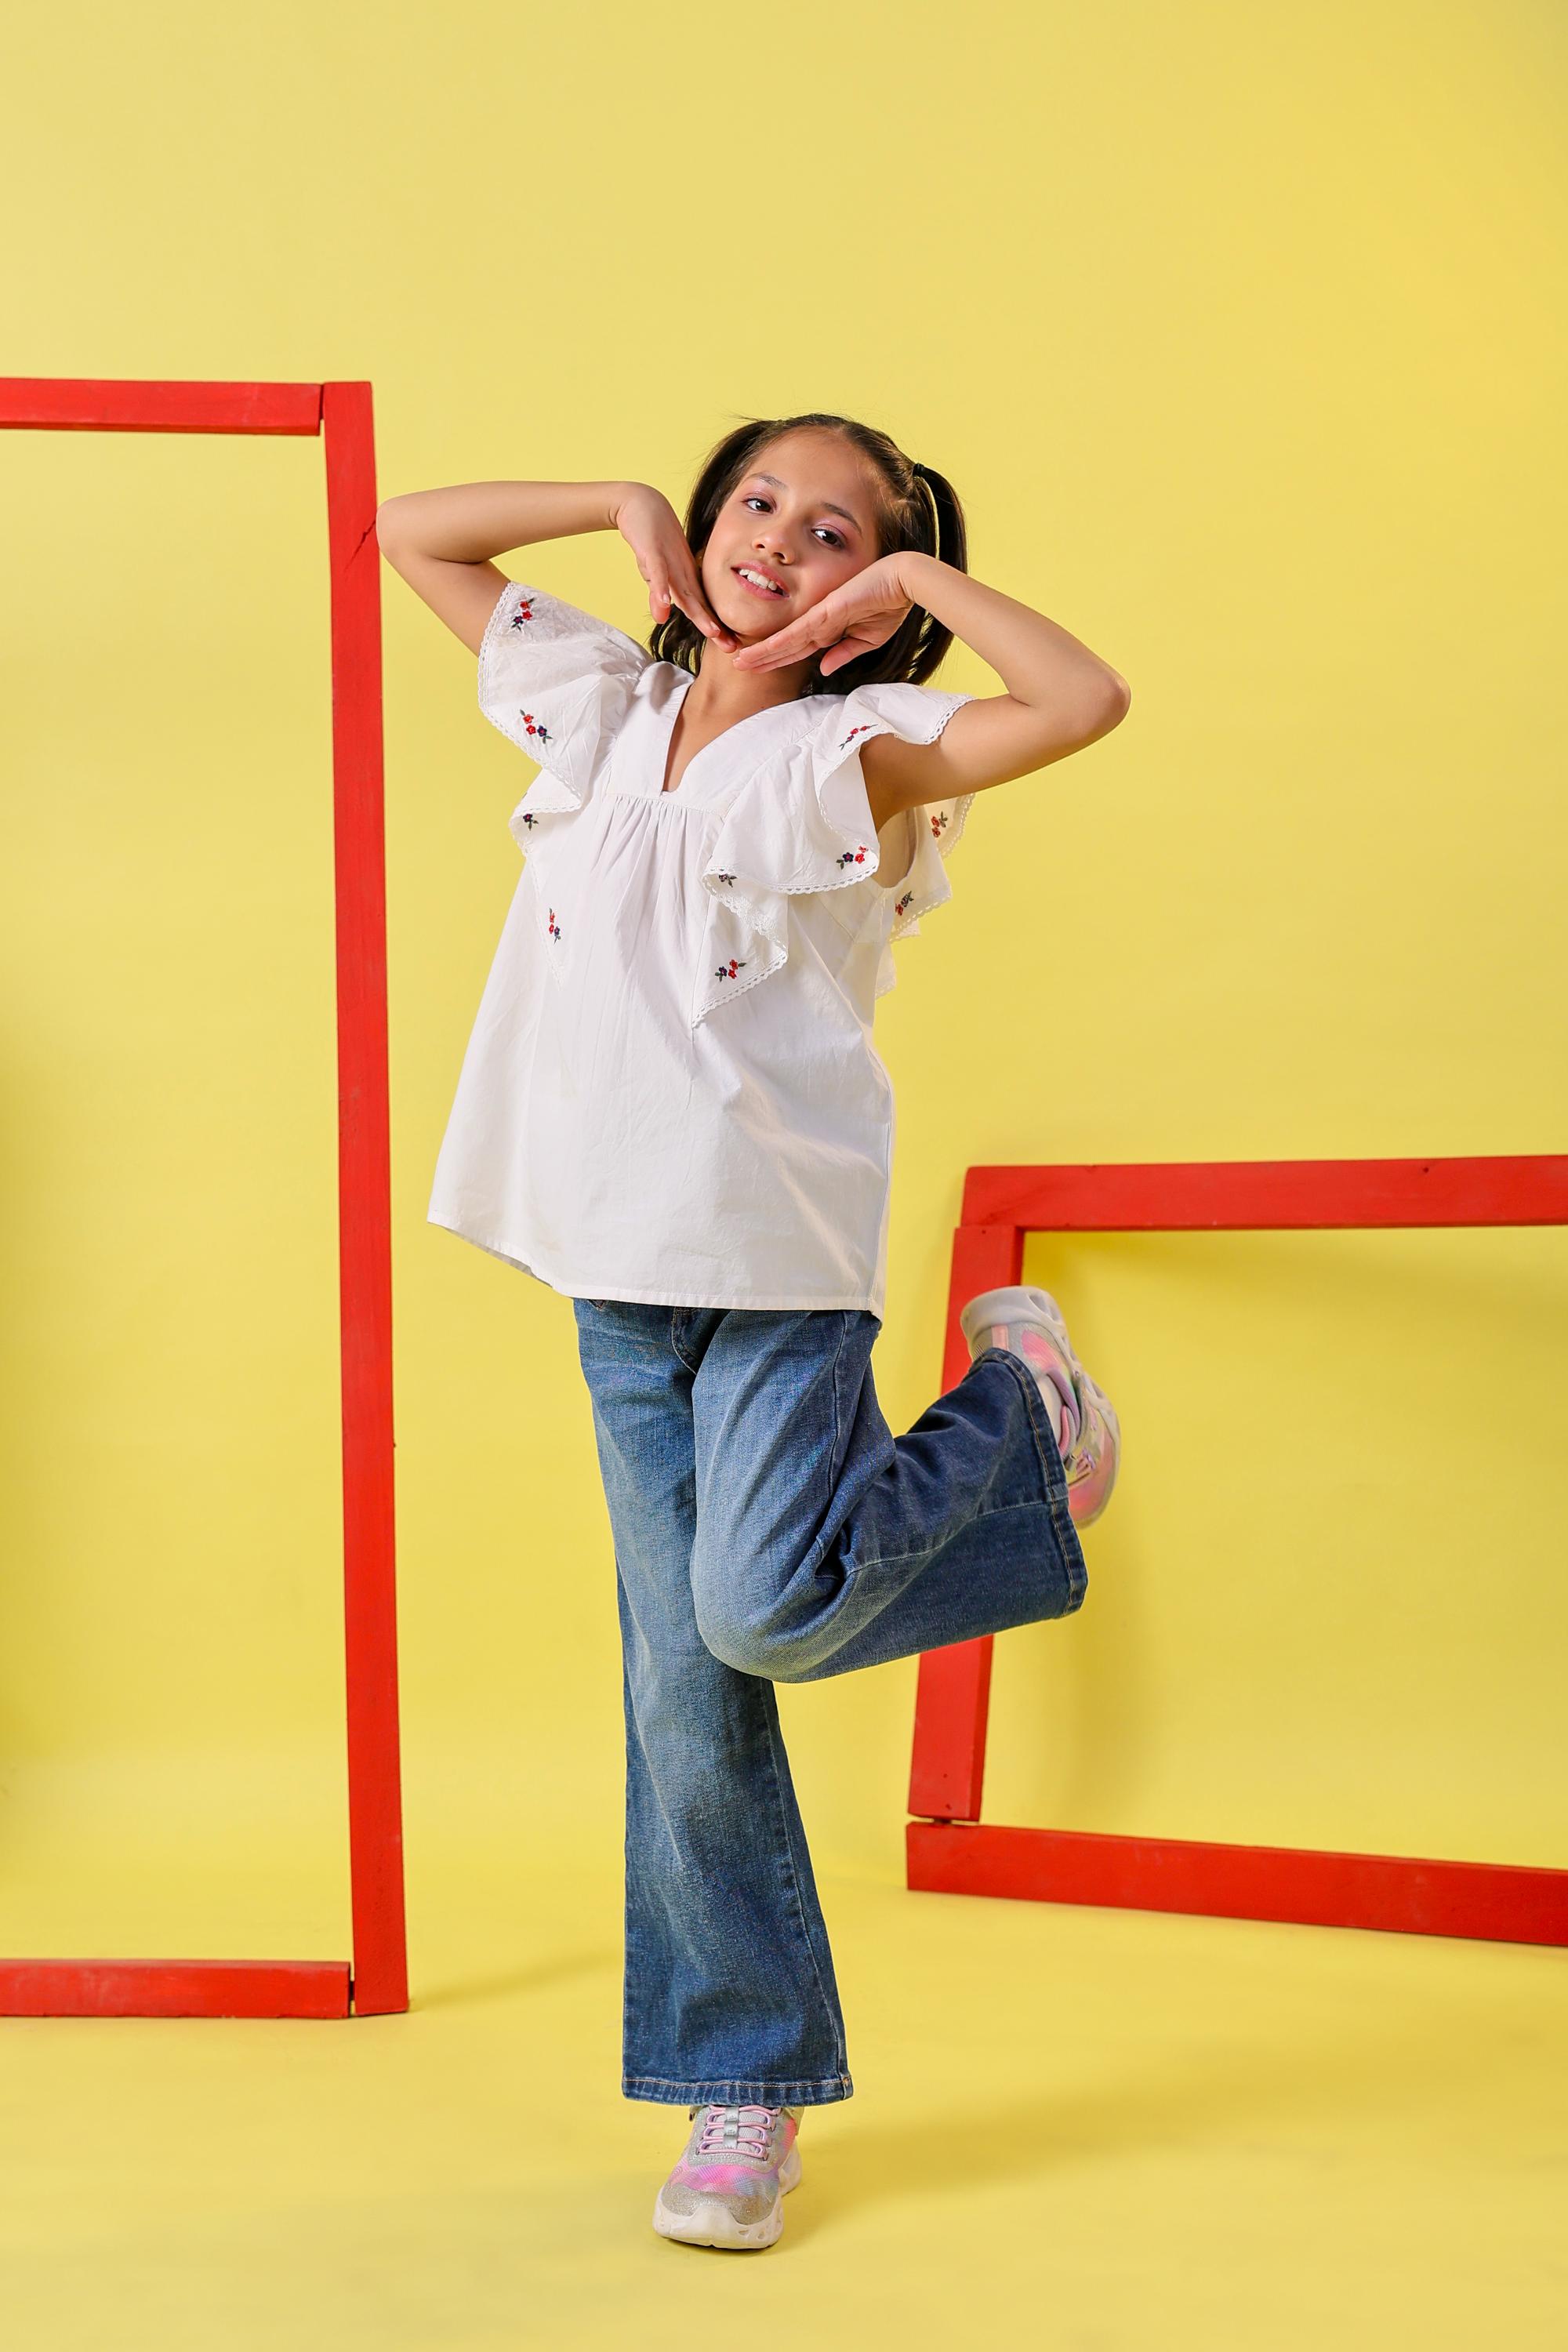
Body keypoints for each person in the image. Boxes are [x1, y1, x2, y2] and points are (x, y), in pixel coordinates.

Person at [376, 412, 1131, 2252]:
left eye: (835, 532)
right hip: (610, 1274)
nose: (779, 542)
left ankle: (1019, 1418)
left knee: (760, 1610)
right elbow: (415, 533)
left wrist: (923, 581)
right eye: (756, 506)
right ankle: (748, 2092)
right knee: (682, 1699)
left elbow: (1083, 698)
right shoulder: (593, 710)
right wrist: (612, 501)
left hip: (776, 1266)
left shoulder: (844, 754)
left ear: (870, 597)